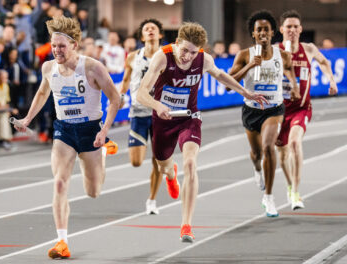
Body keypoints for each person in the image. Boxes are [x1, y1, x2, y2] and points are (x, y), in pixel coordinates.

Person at [137, 22, 267, 242]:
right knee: (163, 166)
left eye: (193, 52)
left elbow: (221, 76)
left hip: (189, 117)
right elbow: (141, 93)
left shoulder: (203, 60)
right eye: (184, 50)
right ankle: (170, 174)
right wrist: (158, 106)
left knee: (190, 164)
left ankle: (186, 225)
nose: (187, 56)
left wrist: (246, 92)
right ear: (176, 43)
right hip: (163, 119)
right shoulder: (162, 57)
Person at [13, 16, 121, 259]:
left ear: (75, 45)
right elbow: (42, 92)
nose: (56, 50)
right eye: (53, 45)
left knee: (93, 191)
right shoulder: (48, 68)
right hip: (64, 131)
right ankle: (62, 240)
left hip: (91, 130)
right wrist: (28, 119)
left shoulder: (92, 67)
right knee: (60, 183)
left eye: (61, 45)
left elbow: (116, 98)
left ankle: (103, 152)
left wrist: (104, 132)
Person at [228, 10, 300, 217]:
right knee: (257, 154)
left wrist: (294, 87)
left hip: (274, 108)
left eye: (266, 29)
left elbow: (290, 72)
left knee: (269, 147)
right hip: (251, 110)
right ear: (253, 33)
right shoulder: (244, 55)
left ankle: (268, 198)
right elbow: (228, 85)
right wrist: (250, 65)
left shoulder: (283, 56)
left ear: (272, 32)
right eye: (258, 30)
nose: (262, 33)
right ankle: (258, 169)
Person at [276, 10, 338, 210]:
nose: (292, 30)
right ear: (282, 29)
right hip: (278, 111)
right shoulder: (275, 51)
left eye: (295, 26)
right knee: (283, 155)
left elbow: (325, 62)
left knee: (295, 143)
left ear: (301, 29)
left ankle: (295, 192)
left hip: (301, 108)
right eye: (288, 27)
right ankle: (289, 184)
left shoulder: (309, 49)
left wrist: (331, 80)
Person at [119, 19, 164, 215]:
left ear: (160, 34)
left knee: (158, 160)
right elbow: (127, 79)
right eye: (147, 29)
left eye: (154, 28)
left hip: (160, 112)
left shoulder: (167, 56)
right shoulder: (132, 57)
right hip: (138, 112)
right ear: (142, 36)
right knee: (136, 162)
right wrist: (121, 96)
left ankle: (152, 200)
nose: (151, 31)